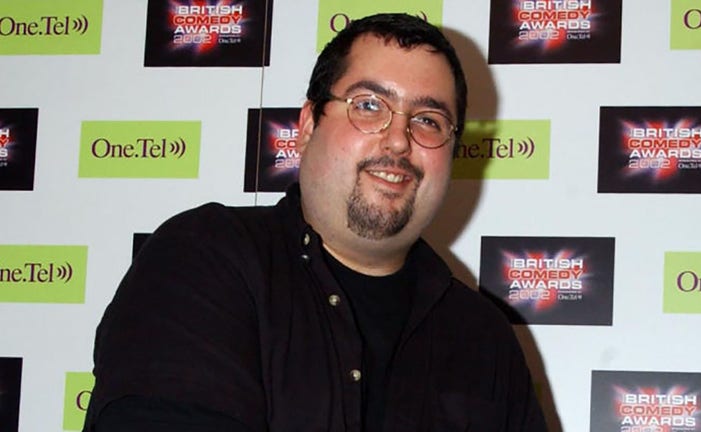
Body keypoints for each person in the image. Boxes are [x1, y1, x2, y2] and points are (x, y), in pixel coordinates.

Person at [83, 13, 548, 432]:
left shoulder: (484, 338)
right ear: (307, 125)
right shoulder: (206, 260)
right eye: (369, 105)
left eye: (428, 120)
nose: (399, 140)